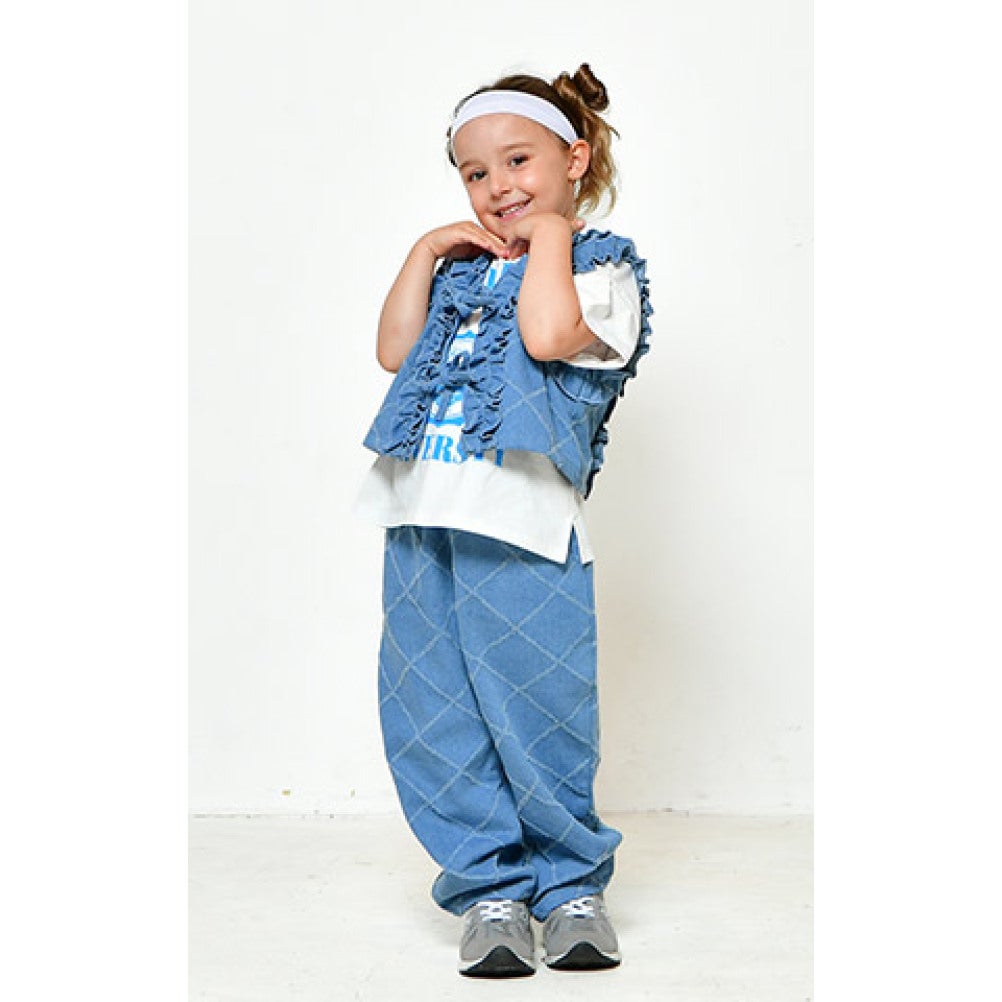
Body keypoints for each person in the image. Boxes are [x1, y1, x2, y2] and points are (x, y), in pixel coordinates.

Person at [354, 62, 653, 978]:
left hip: (526, 529)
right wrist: (424, 251)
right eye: (475, 173)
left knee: (540, 710)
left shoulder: (603, 270)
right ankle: (489, 887)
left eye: (519, 161)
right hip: (423, 522)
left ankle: (569, 889)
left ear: (575, 158)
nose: (497, 187)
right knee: (433, 714)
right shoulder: (461, 272)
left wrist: (553, 233)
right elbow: (393, 351)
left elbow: (547, 335)